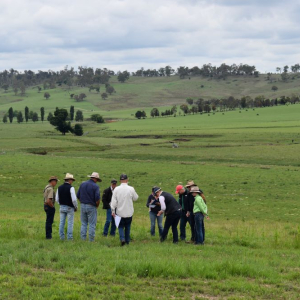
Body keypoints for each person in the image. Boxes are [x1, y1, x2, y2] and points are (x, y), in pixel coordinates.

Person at [111, 174, 138, 246]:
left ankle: (122, 239)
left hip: (119, 212)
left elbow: (113, 201)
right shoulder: (131, 189)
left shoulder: (116, 189)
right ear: (127, 180)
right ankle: (127, 241)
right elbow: (136, 198)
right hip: (129, 212)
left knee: (120, 226)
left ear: (120, 180)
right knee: (128, 227)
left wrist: (113, 210)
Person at [77, 172, 101, 242]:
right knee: (92, 224)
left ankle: (83, 239)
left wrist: (81, 202)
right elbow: (97, 198)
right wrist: (97, 205)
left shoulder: (82, 184)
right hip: (91, 206)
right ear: (96, 179)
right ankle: (91, 240)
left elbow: (78, 195)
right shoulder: (95, 186)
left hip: (83, 205)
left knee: (83, 223)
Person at [56, 173, 77, 240]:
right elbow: (74, 199)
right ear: (70, 180)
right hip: (69, 207)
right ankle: (69, 237)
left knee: (62, 222)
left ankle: (61, 237)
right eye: (72, 180)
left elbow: (57, 199)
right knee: (70, 223)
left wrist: (61, 203)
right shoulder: (71, 188)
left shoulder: (59, 188)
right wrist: (75, 206)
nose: (72, 182)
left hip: (62, 206)